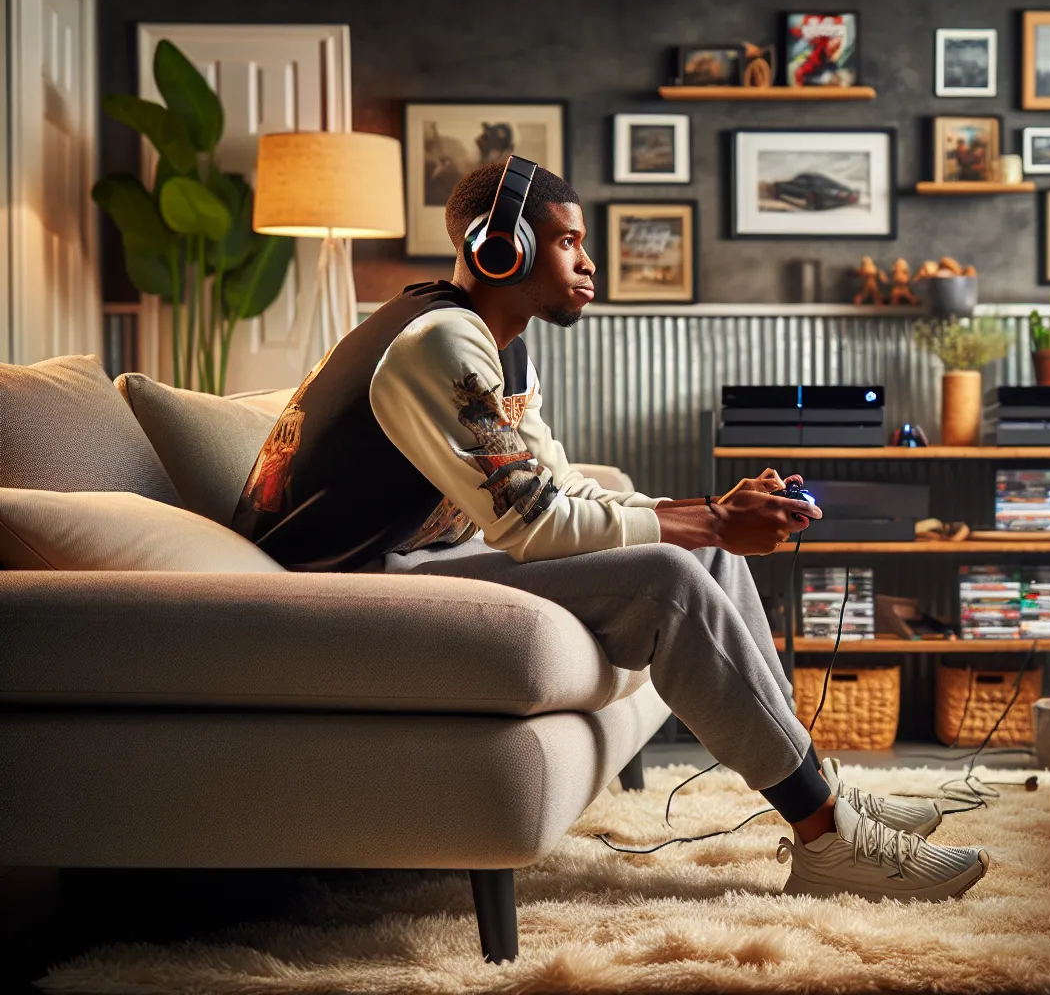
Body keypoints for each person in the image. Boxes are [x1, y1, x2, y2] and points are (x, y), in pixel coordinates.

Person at [231, 161, 990, 901]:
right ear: (500, 250)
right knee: (669, 580)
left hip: (421, 556)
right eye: (568, 242)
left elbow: (560, 487)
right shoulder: (438, 344)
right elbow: (534, 521)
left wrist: (704, 510)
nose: (589, 262)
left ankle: (818, 787)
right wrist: (716, 521)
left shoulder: (502, 349)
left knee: (700, 555)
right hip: (344, 588)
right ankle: (827, 842)